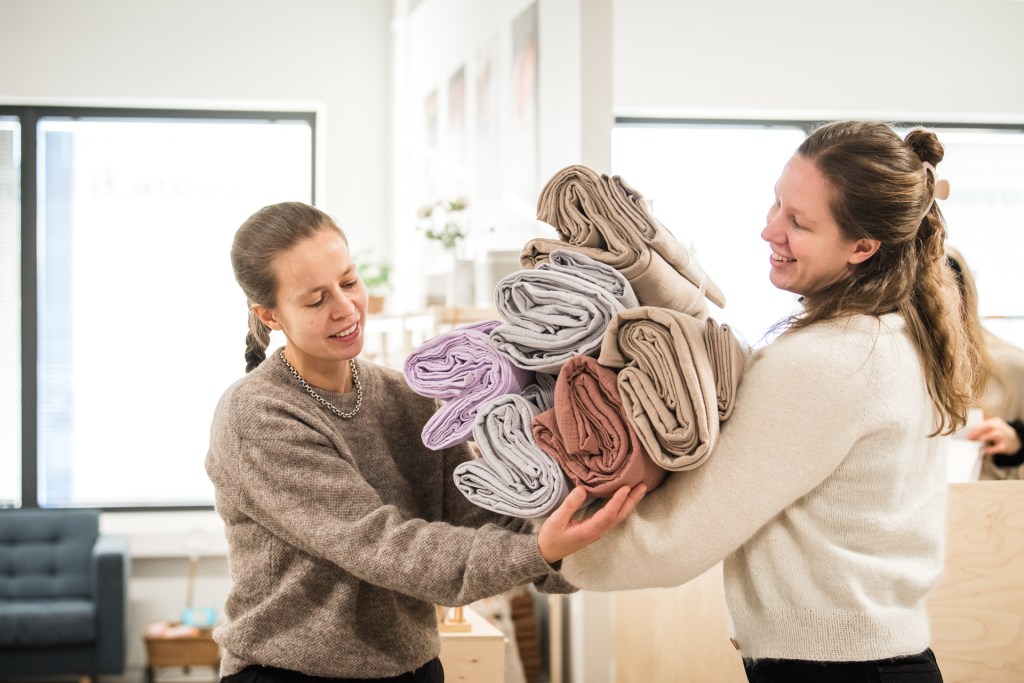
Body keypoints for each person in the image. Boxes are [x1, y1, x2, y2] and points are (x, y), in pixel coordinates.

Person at [559, 121, 985, 683]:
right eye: (776, 202)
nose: (769, 229)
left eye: (799, 222)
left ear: (863, 246)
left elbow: (679, 538)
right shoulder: (897, 338)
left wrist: (549, 548)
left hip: (837, 673)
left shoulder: (826, 362)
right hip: (880, 664)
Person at [205, 201, 646, 683]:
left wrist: (587, 532)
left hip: (413, 669)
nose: (345, 308)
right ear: (269, 315)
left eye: (349, 282)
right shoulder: (257, 415)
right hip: (288, 673)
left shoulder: (404, 396)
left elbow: (478, 514)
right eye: (316, 301)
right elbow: (380, 544)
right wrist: (538, 550)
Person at [945, 245, 1024, 478]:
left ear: (964, 295)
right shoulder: (896, 364)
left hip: (989, 496)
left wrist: (1017, 441)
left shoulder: (1012, 365)